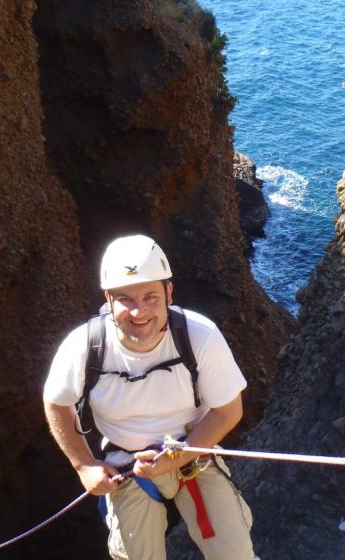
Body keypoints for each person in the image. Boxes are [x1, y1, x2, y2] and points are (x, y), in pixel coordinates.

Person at [43, 234, 255, 560]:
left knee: (234, 553)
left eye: (150, 297)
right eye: (125, 298)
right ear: (108, 299)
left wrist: (177, 458)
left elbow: (228, 411)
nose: (138, 311)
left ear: (169, 293)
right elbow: (57, 402)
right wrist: (84, 465)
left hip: (193, 455)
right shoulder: (85, 346)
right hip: (126, 465)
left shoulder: (199, 336)